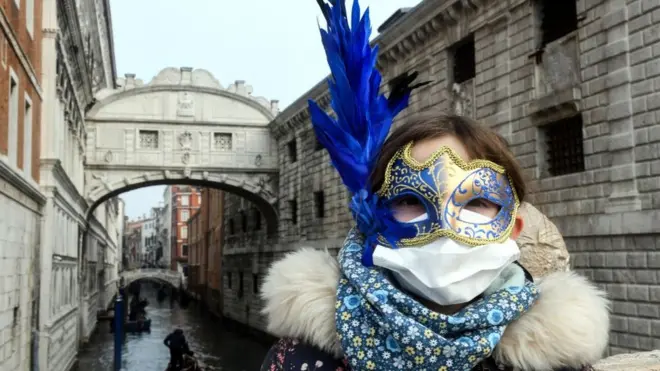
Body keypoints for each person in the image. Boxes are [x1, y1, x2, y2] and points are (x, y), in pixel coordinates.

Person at [259, 1, 609, 370]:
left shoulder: (553, 359)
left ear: (513, 227)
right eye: (411, 199)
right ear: (371, 219)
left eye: (475, 202)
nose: (445, 226)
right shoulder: (302, 360)